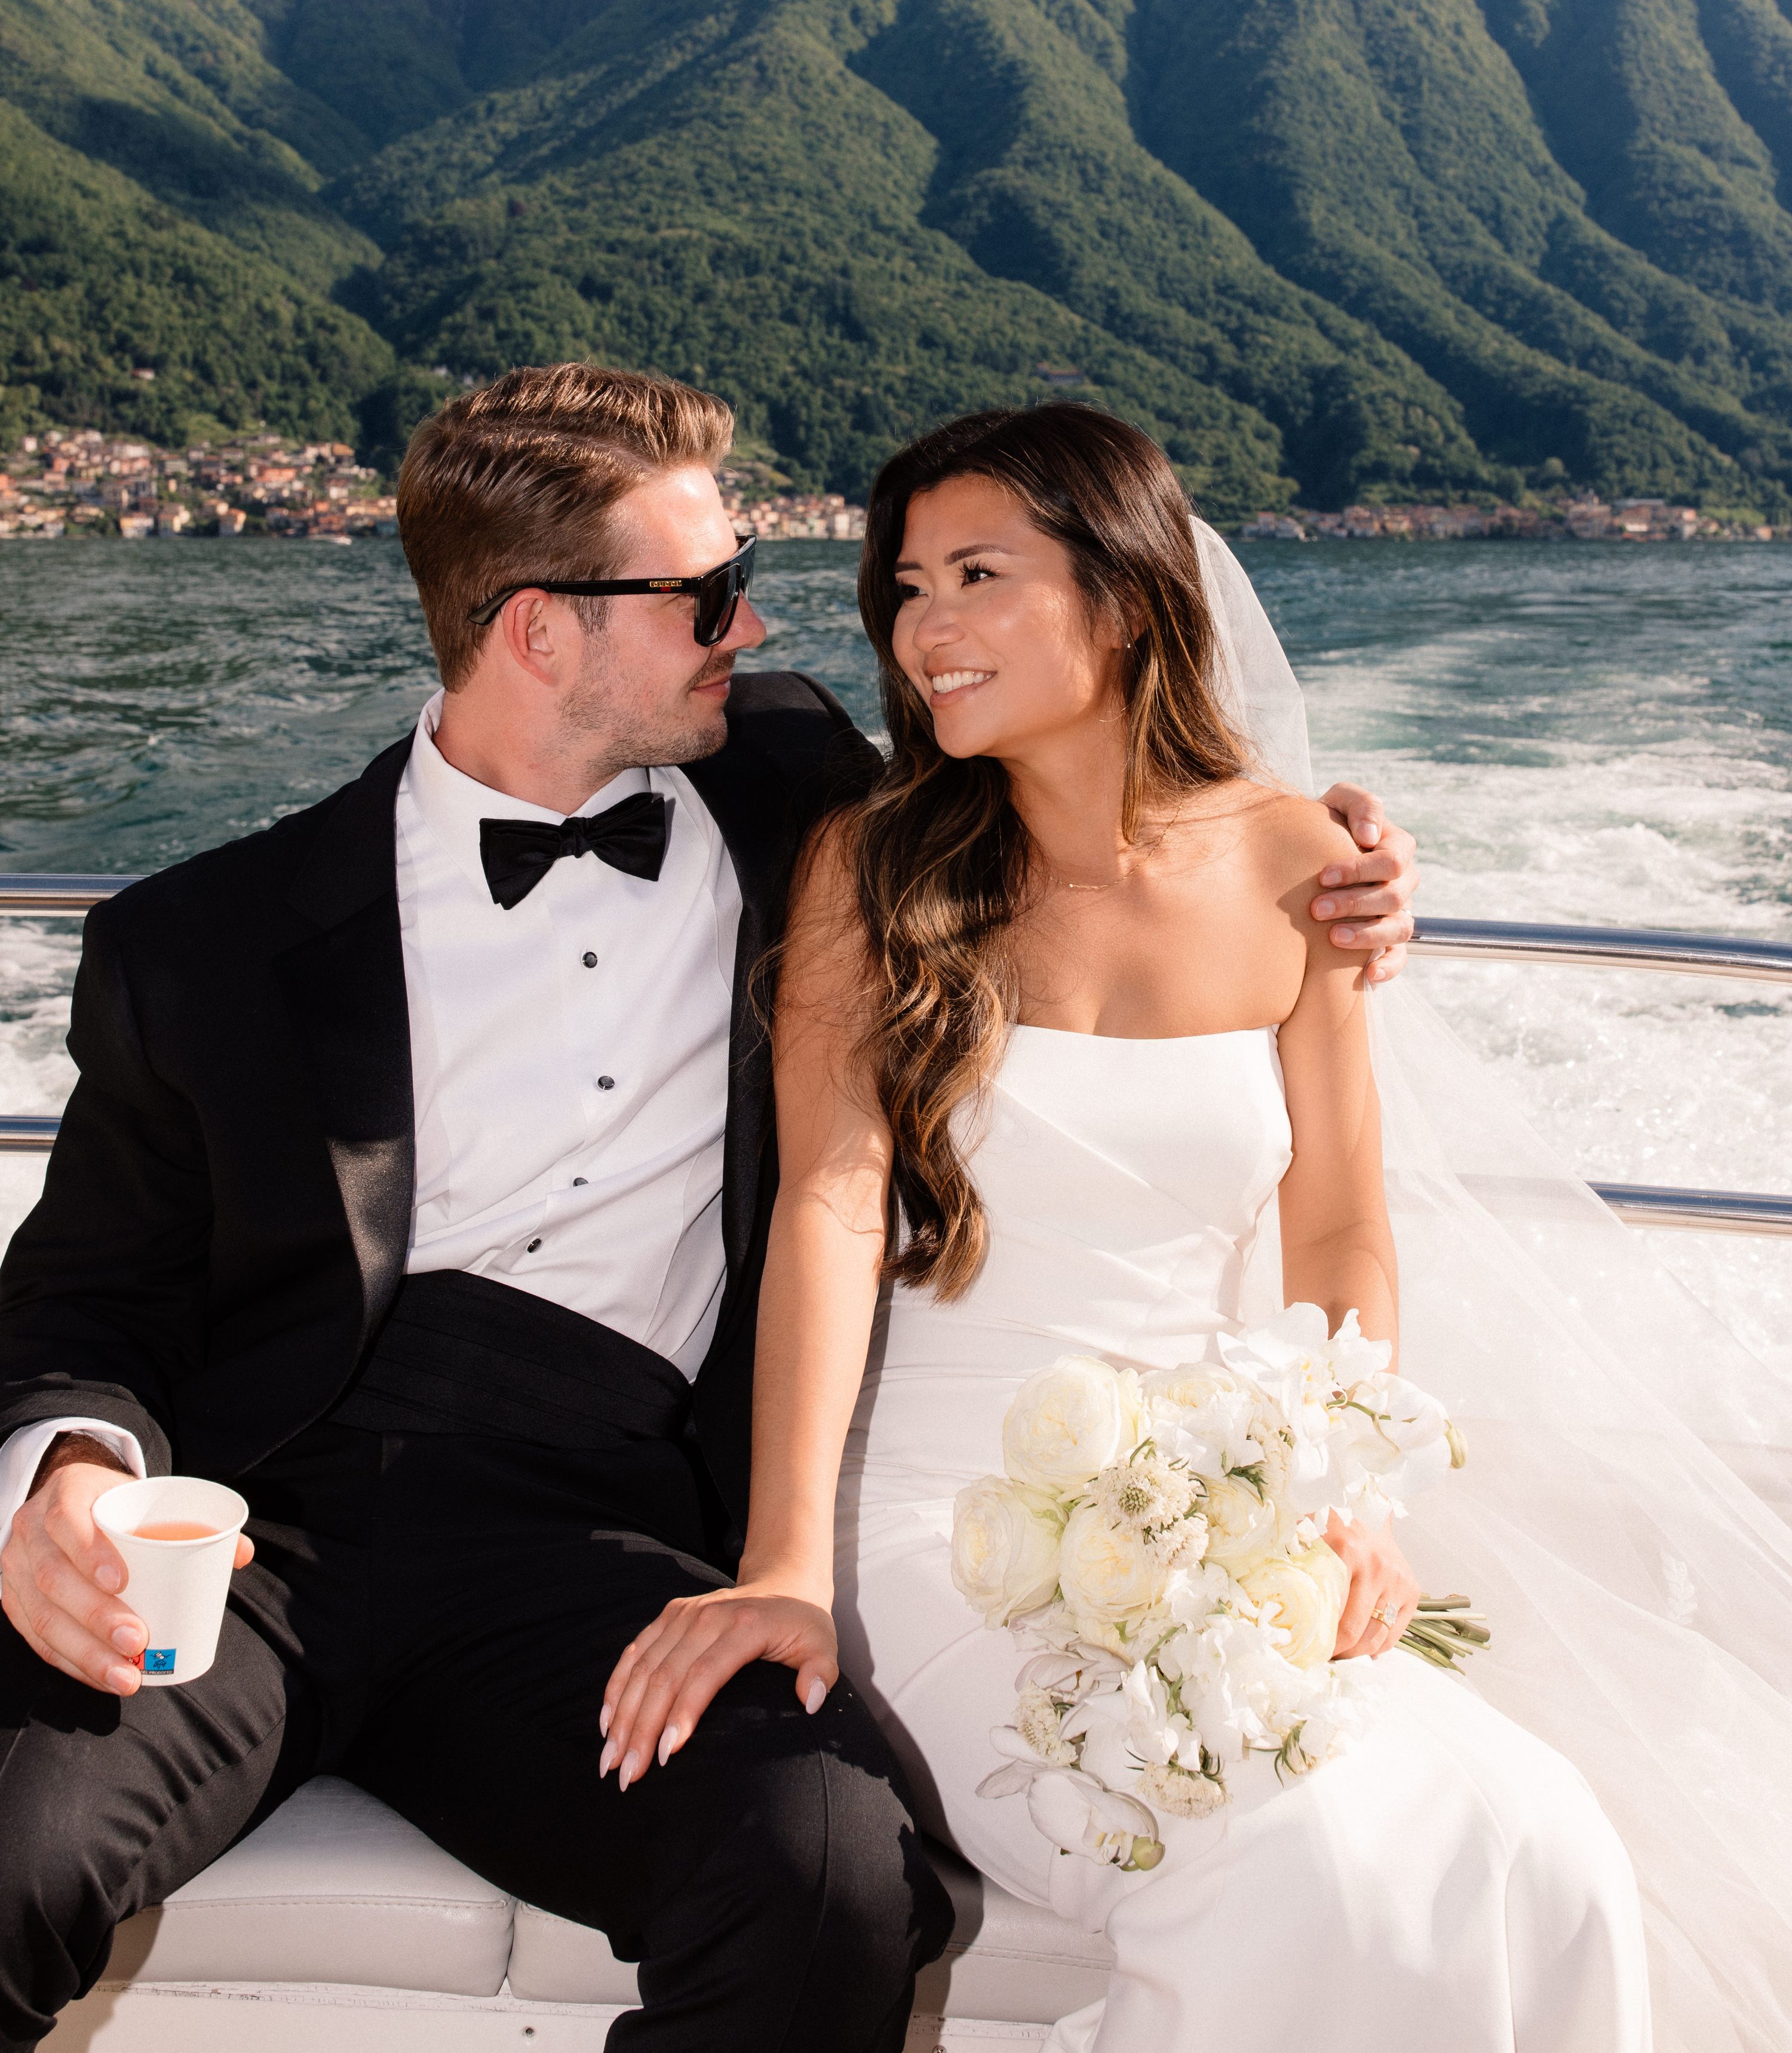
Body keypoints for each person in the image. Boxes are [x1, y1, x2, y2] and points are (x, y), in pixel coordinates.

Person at [0, 367, 1419, 2053]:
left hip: (604, 1540)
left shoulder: (812, 798)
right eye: (705, 592)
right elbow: (82, 1296)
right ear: (540, 633)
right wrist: (67, 1475)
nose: (750, 625)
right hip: (256, 1534)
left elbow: (1100, 808)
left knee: (827, 1876)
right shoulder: (203, 940)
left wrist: (1339, 861)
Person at [599, 401, 1657, 2053]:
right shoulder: (872, 868)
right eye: (904, 584)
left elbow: (1340, 1232)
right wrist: (788, 1562)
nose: (921, 626)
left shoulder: (1307, 862)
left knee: (1539, 1842)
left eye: (975, 574)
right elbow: (825, 1202)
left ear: (1127, 588)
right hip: (940, 1533)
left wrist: (1337, 1498)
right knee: (1288, 1865)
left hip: (1222, 1520)